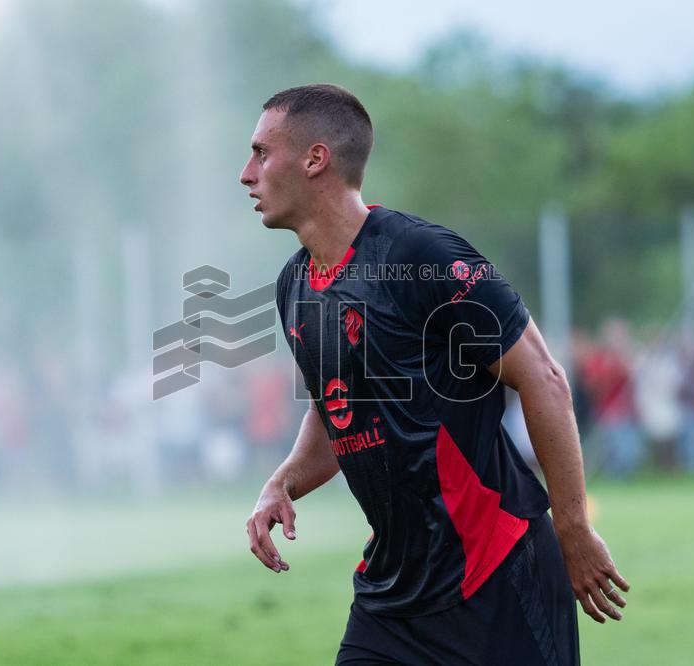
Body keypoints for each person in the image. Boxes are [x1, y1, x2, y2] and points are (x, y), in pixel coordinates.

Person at [241, 84, 629, 665]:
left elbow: (543, 378)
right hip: (391, 596)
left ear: (315, 159)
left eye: (261, 153)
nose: (247, 174)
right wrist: (284, 481)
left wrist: (572, 528)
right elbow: (336, 410)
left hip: (494, 575)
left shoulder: (419, 255)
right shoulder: (294, 285)